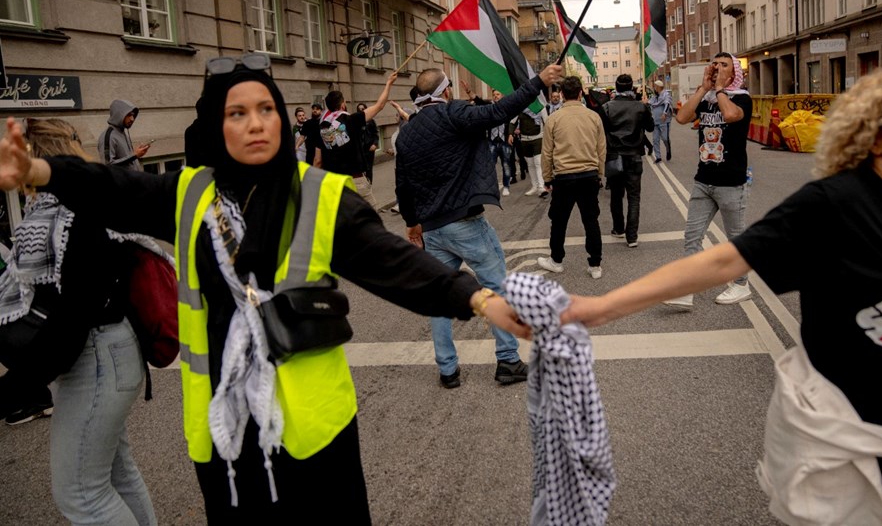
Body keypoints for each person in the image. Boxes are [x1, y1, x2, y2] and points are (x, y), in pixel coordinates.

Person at [0, 54, 530, 523]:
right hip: (228, 439)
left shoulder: (322, 196)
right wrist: (40, 169)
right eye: (237, 113)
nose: (255, 123)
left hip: (315, 441)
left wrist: (478, 298)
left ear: (281, 118)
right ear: (216, 126)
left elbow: (394, 263)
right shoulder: (188, 194)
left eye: (266, 110)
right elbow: (115, 189)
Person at [563, 65, 882, 526]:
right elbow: (722, 261)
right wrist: (600, 308)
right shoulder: (837, 203)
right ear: (875, 134)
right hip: (844, 451)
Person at [3, 119, 156, 524]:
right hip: (110, 350)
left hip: (96, 357)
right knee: (116, 474)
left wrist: (15, 387)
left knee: (81, 495)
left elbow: (73, 316)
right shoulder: (86, 204)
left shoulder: (69, 214)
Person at [395, 64, 562, 388]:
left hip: (432, 228)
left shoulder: (407, 133)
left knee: (439, 300)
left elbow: (402, 185)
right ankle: (508, 361)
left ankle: (447, 370)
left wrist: (412, 223)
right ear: (445, 91)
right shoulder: (454, 114)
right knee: (496, 289)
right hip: (466, 222)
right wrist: (537, 82)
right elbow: (500, 111)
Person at [669, 53, 753, 307]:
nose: (717, 68)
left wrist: (719, 89)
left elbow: (729, 115)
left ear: (734, 72)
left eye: (724, 65)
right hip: (703, 180)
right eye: (715, 64)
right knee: (692, 237)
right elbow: (682, 118)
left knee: (735, 237)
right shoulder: (706, 98)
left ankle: (741, 285)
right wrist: (705, 88)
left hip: (731, 182)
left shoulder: (741, 99)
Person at [537, 76, 606, 279]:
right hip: (588, 174)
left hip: (564, 177)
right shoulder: (593, 117)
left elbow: (547, 152)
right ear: (579, 93)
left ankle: (556, 260)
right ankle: (595, 265)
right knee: (591, 220)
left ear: (563, 95)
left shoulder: (554, 119)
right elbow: (601, 149)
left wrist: (547, 178)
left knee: (558, 221)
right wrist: (600, 174)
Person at [311, 72, 397, 208]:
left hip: (334, 184)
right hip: (355, 181)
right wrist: (389, 83)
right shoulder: (351, 120)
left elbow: (317, 160)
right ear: (343, 104)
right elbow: (379, 106)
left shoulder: (321, 127)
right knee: (370, 223)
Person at [600, 74, 653, 249]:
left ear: (616, 87)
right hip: (634, 155)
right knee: (634, 197)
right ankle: (632, 236)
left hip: (614, 156)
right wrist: (646, 108)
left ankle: (618, 228)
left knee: (616, 196)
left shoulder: (607, 107)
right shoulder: (640, 107)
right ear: (632, 87)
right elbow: (651, 127)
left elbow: (602, 131)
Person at [100, 99, 148, 170]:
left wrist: (137, 153)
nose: (132, 119)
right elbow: (108, 166)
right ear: (119, 114)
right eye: (129, 115)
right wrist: (134, 155)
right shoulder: (109, 136)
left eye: (133, 115)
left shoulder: (122, 132)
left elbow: (127, 160)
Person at [513, 108, 547, 197]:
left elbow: (547, 121)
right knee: (530, 164)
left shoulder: (540, 107)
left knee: (538, 162)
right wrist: (510, 134)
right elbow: (513, 121)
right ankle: (534, 186)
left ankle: (541, 186)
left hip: (538, 137)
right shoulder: (520, 106)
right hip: (525, 139)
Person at [649, 78, 673, 162]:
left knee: (665, 138)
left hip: (664, 121)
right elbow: (650, 103)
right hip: (655, 121)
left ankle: (668, 150)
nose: (654, 88)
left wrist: (664, 113)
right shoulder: (655, 96)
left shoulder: (666, 95)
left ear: (658, 87)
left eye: (655, 86)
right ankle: (658, 157)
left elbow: (667, 103)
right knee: (655, 139)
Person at [356, 102, 379, 184]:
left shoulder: (371, 121)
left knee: (369, 168)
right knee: (361, 168)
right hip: (360, 149)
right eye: (359, 109)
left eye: (363, 109)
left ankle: (369, 184)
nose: (361, 110)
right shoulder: (356, 121)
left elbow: (375, 134)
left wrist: (375, 144)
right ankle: (363, 184)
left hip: (369, 148)